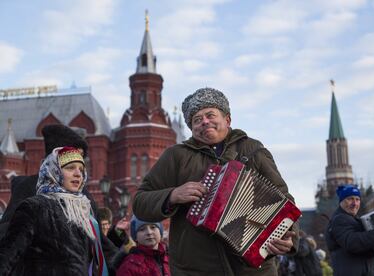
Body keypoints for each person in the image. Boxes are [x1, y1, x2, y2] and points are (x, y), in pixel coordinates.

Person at [134, 87, 299, 275]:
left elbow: (284, 201)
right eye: (197, 120)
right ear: (191, 128)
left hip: (252, 270)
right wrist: (172, 195)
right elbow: (139, 202)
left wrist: (289, 237)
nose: (204, 122)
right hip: (196, 270)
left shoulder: (253, 150)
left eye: (210, 115)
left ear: (227, 119)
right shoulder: (176, 156)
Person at [0, 124, 118, 275]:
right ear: (54, 164)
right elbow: (9, 244)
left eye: (81, 167)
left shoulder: (84, 202)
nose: (78, 173)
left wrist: (131, 260)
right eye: (70, 166)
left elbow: (101, 246)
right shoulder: (33, 198)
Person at [325, 184, 374, 276]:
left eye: (357, 199)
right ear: (341, 201)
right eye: (350, 199)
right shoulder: (340, 219)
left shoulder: (354, 219)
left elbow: (368, 246)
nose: (355, 203)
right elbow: (353, 242)